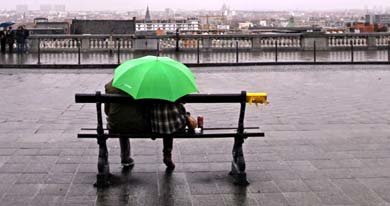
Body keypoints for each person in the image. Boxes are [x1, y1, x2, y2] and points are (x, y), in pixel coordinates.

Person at [104, 80, 150, 168]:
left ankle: (125, 157)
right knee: (128, 121)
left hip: (115, 125)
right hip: (138, 124)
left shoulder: (110, 86)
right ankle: (125, 156)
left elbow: (107, 111)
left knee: (121, 121)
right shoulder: (139, 86)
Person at [149, 100, 189, 171]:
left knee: (167, 125)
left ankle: (167, 153)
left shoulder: (151, 89)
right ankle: (167, 153)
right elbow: (184, 101)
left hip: (156, 124)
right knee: (171, 126)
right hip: (172, 124)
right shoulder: (174, 89)